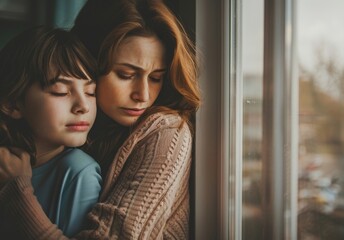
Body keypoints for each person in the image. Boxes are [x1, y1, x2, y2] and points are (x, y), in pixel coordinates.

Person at [0, 0, 200, 239]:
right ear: (89, 62)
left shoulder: (166, 132)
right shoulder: (71, 133)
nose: (143, 95)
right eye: (125, 75)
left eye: (156, 78)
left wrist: (17, 192)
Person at [0, 26, 102, 238]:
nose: (83, 106)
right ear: (12, 104)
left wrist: (16, 189)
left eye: (90, 92)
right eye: (61, 91)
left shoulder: (78, 172)